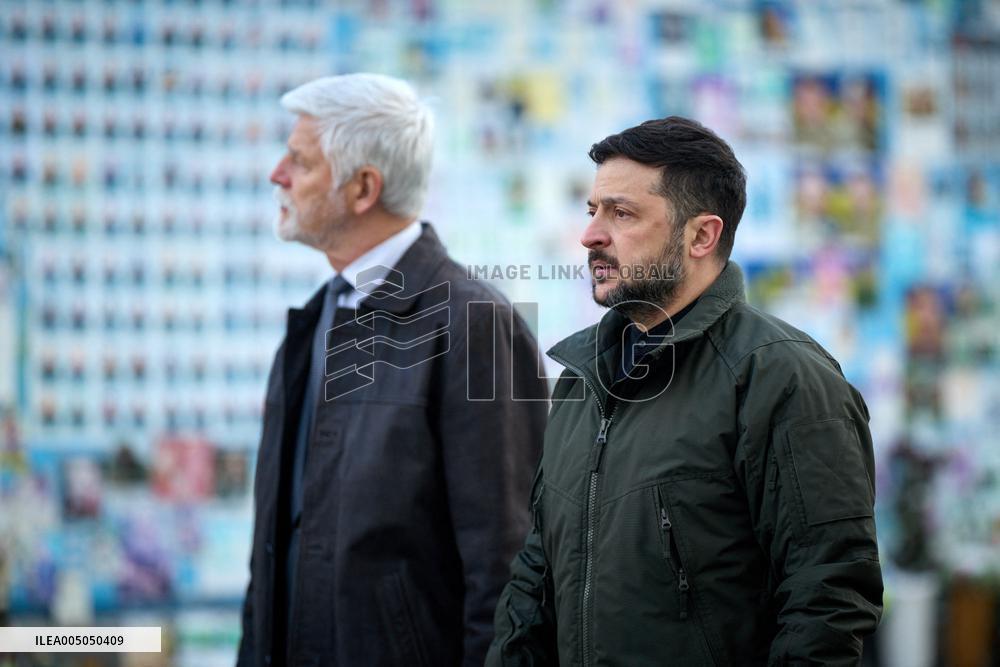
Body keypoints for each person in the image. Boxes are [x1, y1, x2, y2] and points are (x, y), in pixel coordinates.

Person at [487, 116, 882, 665]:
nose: (591, 234)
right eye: (593, 210)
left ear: (702, 235)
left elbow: (828, 596)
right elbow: (539, 571)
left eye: (622, 213)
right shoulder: (582, 375)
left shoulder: (780, 376)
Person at [237, 73, 548, 667]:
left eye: (299, 162)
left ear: (362, 189)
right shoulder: (315, 321)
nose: (277, 175)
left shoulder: (473, 323)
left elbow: (509, 570)